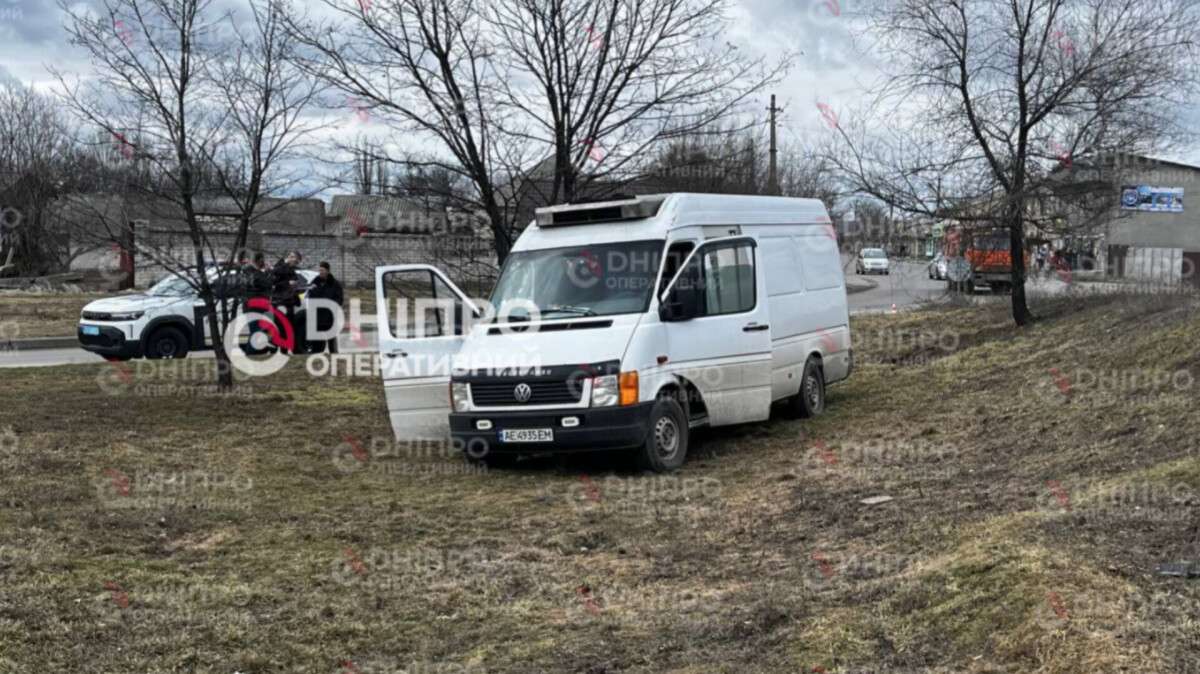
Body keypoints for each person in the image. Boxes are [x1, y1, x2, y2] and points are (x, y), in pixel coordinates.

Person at [270, 250, 306, 354]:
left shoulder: (292, 271)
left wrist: (298, 287)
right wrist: (288, 283)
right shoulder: (280, 268)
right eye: (291, 256)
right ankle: (283, 350)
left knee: (288, 327)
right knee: (283, 327)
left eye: (295, 259)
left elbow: (294, 286)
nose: (292, 259)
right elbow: (274, 278)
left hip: (288, 302)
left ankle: (287, 350)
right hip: (280, 302)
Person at [307, 261, 344, 354]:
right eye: (319, 270)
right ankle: (316, 355)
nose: (320, 272)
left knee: (331, 338)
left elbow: (339, 299)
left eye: (322, 270)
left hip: (329, 315)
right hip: (317, 315)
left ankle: (334, 355)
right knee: (317, 340)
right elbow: (310, 295)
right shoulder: (315, 282)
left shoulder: (335, 284)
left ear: (327, 271)